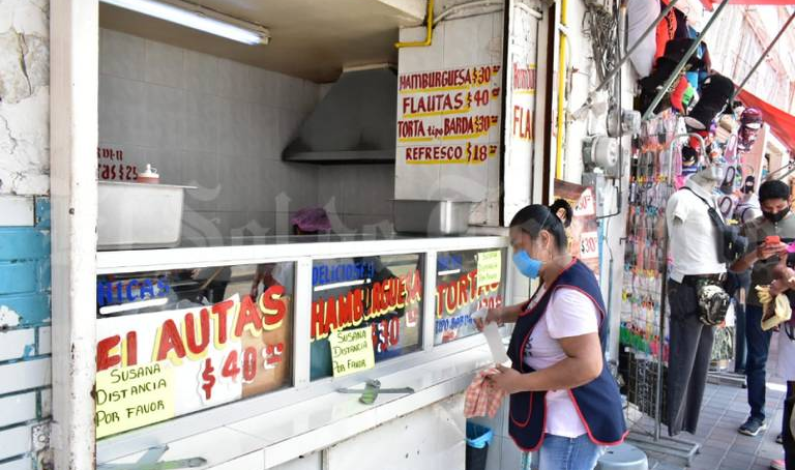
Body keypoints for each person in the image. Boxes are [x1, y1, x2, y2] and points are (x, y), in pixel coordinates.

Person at [479, 202, 626, 470]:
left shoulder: (567, 296)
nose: (515, 255)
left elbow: (587, 365)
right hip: (558, 422)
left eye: (517, 245)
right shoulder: (558, 275)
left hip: (572, 427)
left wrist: (520, 383)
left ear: (544, 239)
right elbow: (536, 309)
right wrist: (499, 314)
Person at [730, 179, 795, 437]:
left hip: (792, 302)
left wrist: (787, 250)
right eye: (769, 208)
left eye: (780, 206)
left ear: (789, 202)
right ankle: (756, 414)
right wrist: (756, 254)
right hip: (759, 299)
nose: (775, 211)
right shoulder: (751, 227)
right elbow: (735, 267)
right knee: (757, 360)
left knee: (793, 369)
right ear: (760, 205)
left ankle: (789, 423)